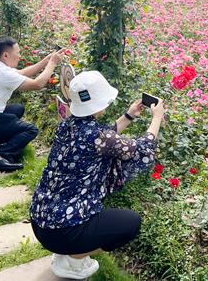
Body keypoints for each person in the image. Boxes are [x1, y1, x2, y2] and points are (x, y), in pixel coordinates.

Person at [29, 71, 165, 279]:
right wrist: (157, 118)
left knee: (103, 220)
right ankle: (73, 260)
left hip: (40, 220)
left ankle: (66, 252)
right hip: (62, 231)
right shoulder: (99, 137)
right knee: (131, 224)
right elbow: (143, 150)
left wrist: (128, 116)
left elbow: (103, 138)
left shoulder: (66, 124)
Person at [0, 36, 65, 172]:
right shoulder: (2, 73)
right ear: (6, 55)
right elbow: (37, 84)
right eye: (18, 53)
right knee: (30, 130)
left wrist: (46, 60)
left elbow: (22, 73)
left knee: (17, 109)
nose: (20, 56)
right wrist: (52, 64)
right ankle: (0, 158)